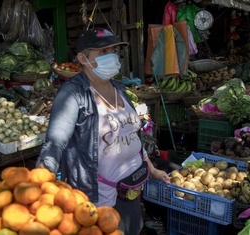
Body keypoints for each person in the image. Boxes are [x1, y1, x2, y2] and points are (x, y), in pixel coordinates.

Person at [35, 28, 170, 234]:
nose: (111, 57)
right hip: (101, 199)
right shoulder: (74, 94)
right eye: (103, 52)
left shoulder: (120, 89)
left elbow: (133, 136)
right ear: (82, 58)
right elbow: (55, 142)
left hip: (132, 189)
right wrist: (39, 182)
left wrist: (152, 170)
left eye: (113, 50)